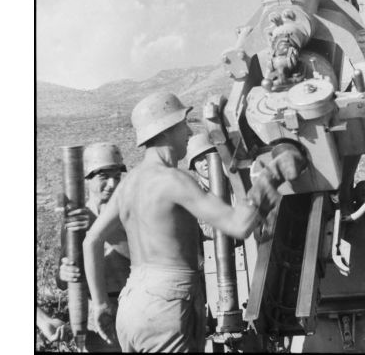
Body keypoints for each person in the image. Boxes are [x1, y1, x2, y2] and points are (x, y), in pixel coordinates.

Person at [83, 91, 305, 352]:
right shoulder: (173, 180)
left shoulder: (129, 183)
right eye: (182, 125)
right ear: (166, 130)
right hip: (166, 305)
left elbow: (91, 241)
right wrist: (273, 174)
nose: (188, 134)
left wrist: (99, 304)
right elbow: (239, 225)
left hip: (131, 306)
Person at [57, 142, 130, 352]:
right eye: (104, 177)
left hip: (130, 308)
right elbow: (61, 280)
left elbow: (142, 258)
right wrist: (64, 273)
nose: (112, 184)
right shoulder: (75, 221)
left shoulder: (129, 213)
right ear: (87, 179)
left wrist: (98, 230)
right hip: (93, 316)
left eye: (117, 176)